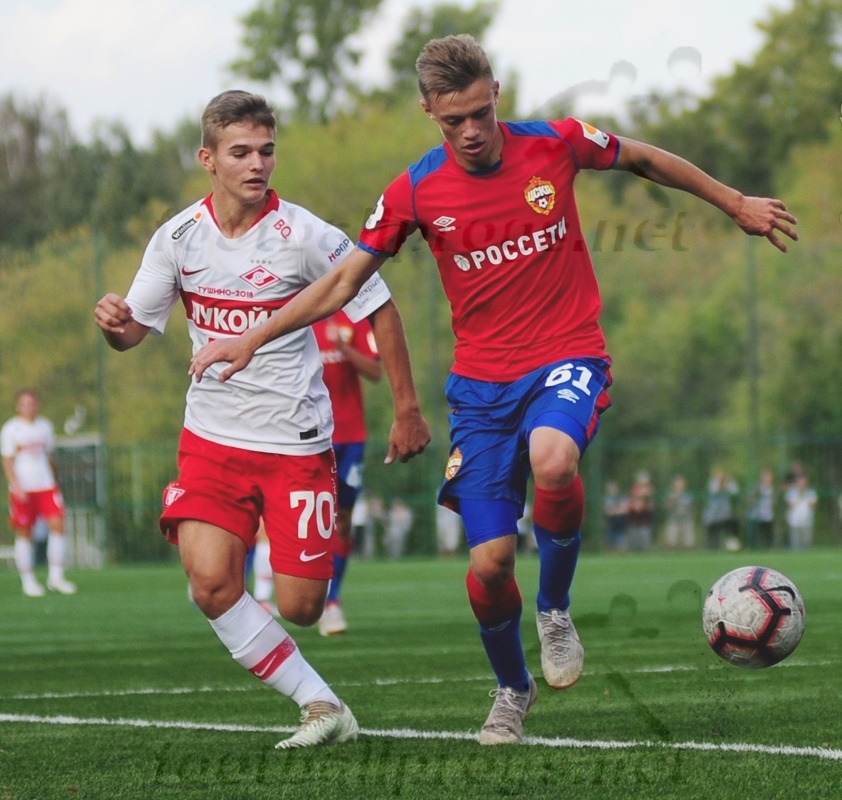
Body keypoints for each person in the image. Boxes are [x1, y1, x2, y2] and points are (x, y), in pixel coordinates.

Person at [187, 35, 798, 744]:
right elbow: (346, 281)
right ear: (430, 112)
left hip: (567, 353)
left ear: (496, 92)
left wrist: (733, 202)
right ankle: (513, 688)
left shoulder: (555, 143)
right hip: (480, 391)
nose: (472, 130)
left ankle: (555, 609)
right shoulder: (414, 190)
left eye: (481, 112)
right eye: (455, 120)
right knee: (488, 566)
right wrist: (254, 337)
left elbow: (642, 158)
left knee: (554, 459)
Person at [93, 90, 430, 750]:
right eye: (241, 152)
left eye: (266, 151)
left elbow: (379, 306)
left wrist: (407, 408)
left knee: (302, 607)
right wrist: (112, 323)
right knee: (210, 582)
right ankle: (320, 704)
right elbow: (133, 333)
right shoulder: (178, 238)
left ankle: (316, 680)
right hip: (210, 441)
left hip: (295, 443)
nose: (257, 164)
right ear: (208, 159)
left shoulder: (305, 236)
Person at [253, 311, 383, 634]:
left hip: (350, 437)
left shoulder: (353, 317)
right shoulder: (296, 313)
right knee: (301, 515)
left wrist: (344, 348)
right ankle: (285, 593)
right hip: (305, 437)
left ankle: (331, 601)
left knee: (343, 521)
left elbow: (375, 372)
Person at [1, 388, 77, 596]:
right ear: (18, 406)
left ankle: (56, 577)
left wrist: (55, 479)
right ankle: (28, 581)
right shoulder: (11, 429)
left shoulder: (45, 427)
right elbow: (7, 461)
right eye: (24, 404)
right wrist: (15, 485)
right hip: (23, 489)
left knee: (58, 525)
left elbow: (49, 457)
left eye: (32, 403)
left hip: (46, 486)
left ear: (37, 405)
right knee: (25, 532)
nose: (29, 407)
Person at [702, 467, 740, 550]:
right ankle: (710, 548)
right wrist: (720, 484)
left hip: (724, 514)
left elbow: (735, 491)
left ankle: (729, 544)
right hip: (712, 515)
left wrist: (727, 482)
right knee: (712, 532)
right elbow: (714, 491)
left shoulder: (728, 482)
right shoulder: (712, 482)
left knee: (732, 526)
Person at [785, 472, 817, 550]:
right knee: (795, 542)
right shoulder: (792, 492)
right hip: (795, 520)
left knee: (806, 542)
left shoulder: (810, 492)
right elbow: (791, 504)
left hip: (807, 519)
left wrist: (805, 495)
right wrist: (799, 495)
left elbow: (813, 505)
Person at [663, 474, 695, 550]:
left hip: (686, 520)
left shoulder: (688, 495)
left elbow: (692, 508)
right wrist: (673, 501)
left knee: (689, 543)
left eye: (681, 483)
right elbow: (667, 507)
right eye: (678, 483)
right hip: (674, 520)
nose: (679, 485)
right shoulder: (670, 494)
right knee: (672, 542)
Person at [625, 471, 654, 551]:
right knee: (634, 544)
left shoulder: (649, 490)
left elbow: (648, 504)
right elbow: (630, 503)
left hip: (644, 521)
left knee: (644, 544)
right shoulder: (634, 489)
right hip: (634, 520)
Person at [747, 468, 776, 548]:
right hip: (758, 515)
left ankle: (768, 548)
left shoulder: (772, 489)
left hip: (768, 515)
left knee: (768, 534)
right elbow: (750, 500)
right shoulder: (757, 487)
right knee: (758, 535)